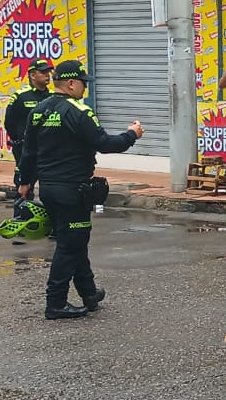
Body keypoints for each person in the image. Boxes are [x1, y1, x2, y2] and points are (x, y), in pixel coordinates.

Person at [17, 59, 144, 320]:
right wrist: (132, 134)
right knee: (69, 246)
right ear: (72, 83)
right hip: (72, 189)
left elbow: (28, 151)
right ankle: (55, 303)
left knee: (74, 241)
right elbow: (106, 143)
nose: (85, 89)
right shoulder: (78, 111)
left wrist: (25, 182)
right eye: (83, 83)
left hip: (49, 189)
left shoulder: (39, 110)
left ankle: (89, 293)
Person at [5, 59, 54, 196]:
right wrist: (19, 140)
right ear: (32, 75)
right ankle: (21, 213)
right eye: (43, 72)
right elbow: (9, 122)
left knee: (49, 185)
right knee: (24, 186)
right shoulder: (20, 96)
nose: (47, 75)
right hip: (25, 148)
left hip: (47, 149)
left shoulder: (52, 97)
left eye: (48, 72)